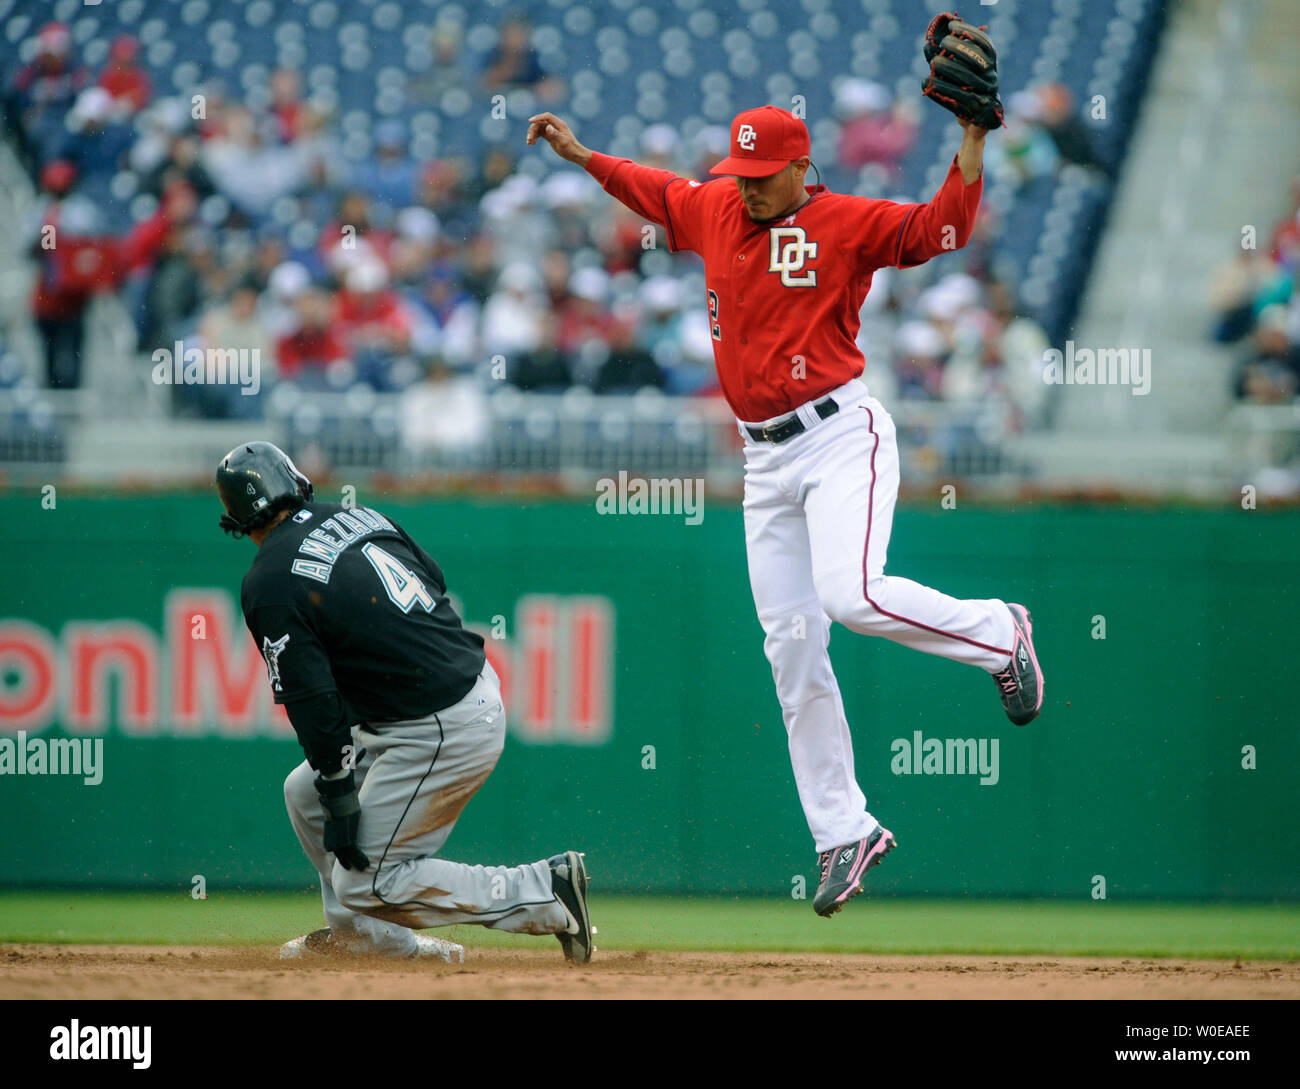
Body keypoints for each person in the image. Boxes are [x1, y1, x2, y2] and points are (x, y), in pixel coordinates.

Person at [525, 16, 1043, 919]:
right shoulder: (717, 207)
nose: (750, 190)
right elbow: (653, 189)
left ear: (803, 168)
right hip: (763, 460)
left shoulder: (846, 221)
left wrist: (970, 139)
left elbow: (943, 231)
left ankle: (1002, 631)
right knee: (793, 650)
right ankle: (844, 830)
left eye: (764, 178)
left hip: (842, 435)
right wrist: (580, 154)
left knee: (853, 597)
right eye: (742, 175)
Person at [215, 442, 595, 962]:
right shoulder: (360, 516)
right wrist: (329, 786)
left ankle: (543, 891)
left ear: (235, 521)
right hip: (445, 696)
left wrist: (340, 789)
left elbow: (313, 700)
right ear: (296, 481)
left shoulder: (270, 581)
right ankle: (367, 941)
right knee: (303, 793)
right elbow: (434, 581)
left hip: (439, 725)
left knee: (364, 881)